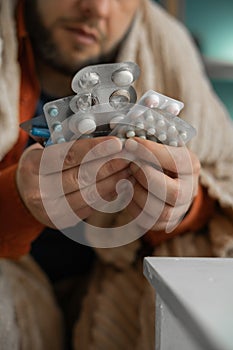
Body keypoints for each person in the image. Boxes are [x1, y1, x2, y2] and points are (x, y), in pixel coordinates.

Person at [0, 0, 233, 349]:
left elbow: (223, 182)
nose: (97, 7)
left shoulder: (167, 45)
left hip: (115, 287)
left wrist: (184, 205)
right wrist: (13, 202)